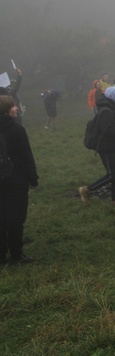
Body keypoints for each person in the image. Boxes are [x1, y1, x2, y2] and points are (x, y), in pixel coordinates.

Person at [0, 96, 39, 265]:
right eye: (14, 106)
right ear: (7, 110)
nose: (16, 108)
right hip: (16, 180)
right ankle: (16, 254)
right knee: (16, 218)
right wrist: (33, 178)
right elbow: (26, 157)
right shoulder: (17, 130)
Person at [78, 86, 115, 204]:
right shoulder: (106, 111)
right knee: (112, 174)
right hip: (106, 147)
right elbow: (107, 131)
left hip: (112, 146)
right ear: (112, 96)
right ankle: (87, 190)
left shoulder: (111, 108)